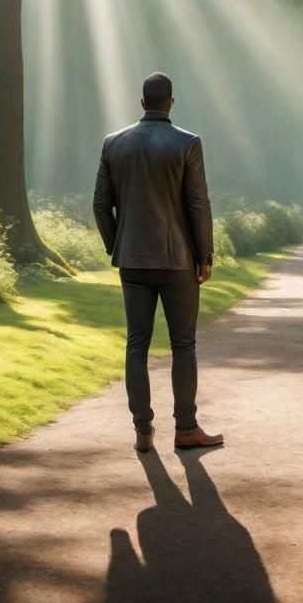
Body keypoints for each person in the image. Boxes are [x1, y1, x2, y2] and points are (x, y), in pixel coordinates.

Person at [93, 72, 223, 453]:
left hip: (132, 262)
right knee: (183, 344)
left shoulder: (113, 143)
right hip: (178, 262)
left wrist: (117, 245)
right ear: (170, 102)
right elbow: (198, 204)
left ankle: (142, 430)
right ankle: (186, 430)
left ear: (141, 102)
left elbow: (101, 204)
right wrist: (205, 255)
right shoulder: (187, 143)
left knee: (137, 343)